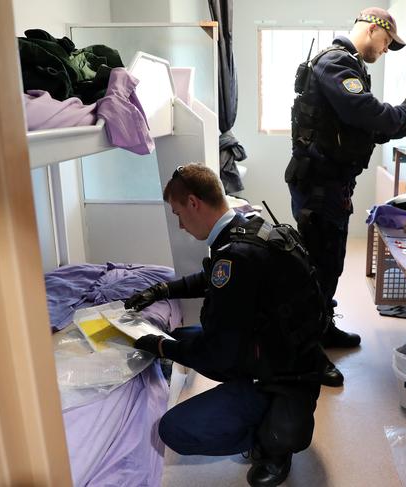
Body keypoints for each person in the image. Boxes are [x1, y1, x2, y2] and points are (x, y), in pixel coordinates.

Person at [127, 163, 326, 487]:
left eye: (178, 213)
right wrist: (164, 290)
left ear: (194, 203)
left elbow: (218, 354)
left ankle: (268, 441)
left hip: (282, 378)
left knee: (173, 428)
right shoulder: (250, 225)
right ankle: (254, 406)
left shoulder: (236, 256)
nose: (180, 225)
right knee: (183, 337)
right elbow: (214, 278)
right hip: (286, 352)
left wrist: (159, 345)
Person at [285, 7, 406, 387]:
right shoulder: (336, 63)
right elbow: (369, 113)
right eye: (387, 42)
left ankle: (324, 329)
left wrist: (405, 123)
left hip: (329, 185)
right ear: (373, 28)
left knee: (329, 264)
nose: (385, 50)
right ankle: (306, 354)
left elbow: (370, 129)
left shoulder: (349, 68)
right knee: (318, 268)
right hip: (318, 185)